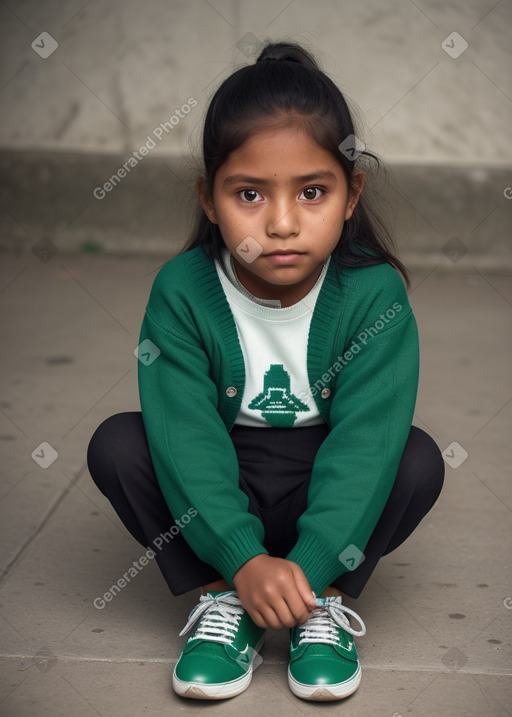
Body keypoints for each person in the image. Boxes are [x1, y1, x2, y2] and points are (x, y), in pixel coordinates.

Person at [87, 39, 445, 703]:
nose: (281, 223)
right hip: (222, 474)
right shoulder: (183, 289)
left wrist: (303, 570)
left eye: (312, 191)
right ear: (208, 198)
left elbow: (367, 446)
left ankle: (317, 606)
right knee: (120, 443)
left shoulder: (374, 296)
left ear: (349, 194)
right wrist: (242, 559)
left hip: (327, 480)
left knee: (416, 458)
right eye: (249, 193)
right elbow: (184, 433)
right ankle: (229, 600)